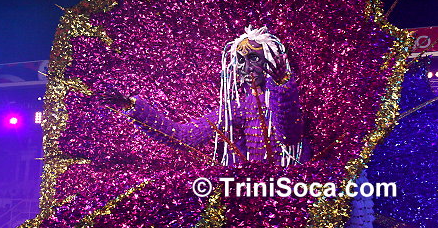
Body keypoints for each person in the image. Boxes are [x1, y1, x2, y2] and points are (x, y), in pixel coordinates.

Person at [104, 26, 305, 165]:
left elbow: (288, 135)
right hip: (250, 190)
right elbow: (185, 136)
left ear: (270, 59)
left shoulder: (280, 97)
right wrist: (135, 108)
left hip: (290, 184)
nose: (246, 67)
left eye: (253, 58)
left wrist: (282, 86)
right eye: (240, 60)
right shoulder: (237, 108)